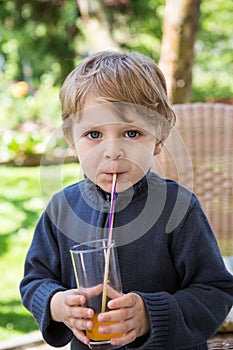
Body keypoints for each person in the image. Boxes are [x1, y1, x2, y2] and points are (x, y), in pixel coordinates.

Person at [20, 51, 233, 350]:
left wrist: (150, 315)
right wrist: (56, 304)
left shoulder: (178, 208)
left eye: (131, 132)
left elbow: (216, 291)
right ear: (71, 141)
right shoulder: (61, 210)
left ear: (158, 139)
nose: (113, 151)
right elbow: (34, 282)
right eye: (94, 134)